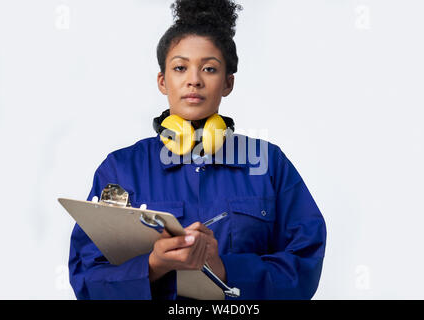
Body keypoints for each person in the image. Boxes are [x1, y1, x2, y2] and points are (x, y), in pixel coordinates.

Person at [68, 0, 327, 300]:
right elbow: (87, 277)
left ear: (228, 82)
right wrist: (152, 266)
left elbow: (306, 264)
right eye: (180, 67)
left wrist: (225, 270)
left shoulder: (269, 164)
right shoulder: (121, 169)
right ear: (163, 82)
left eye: (209, 68)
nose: (194, 79)